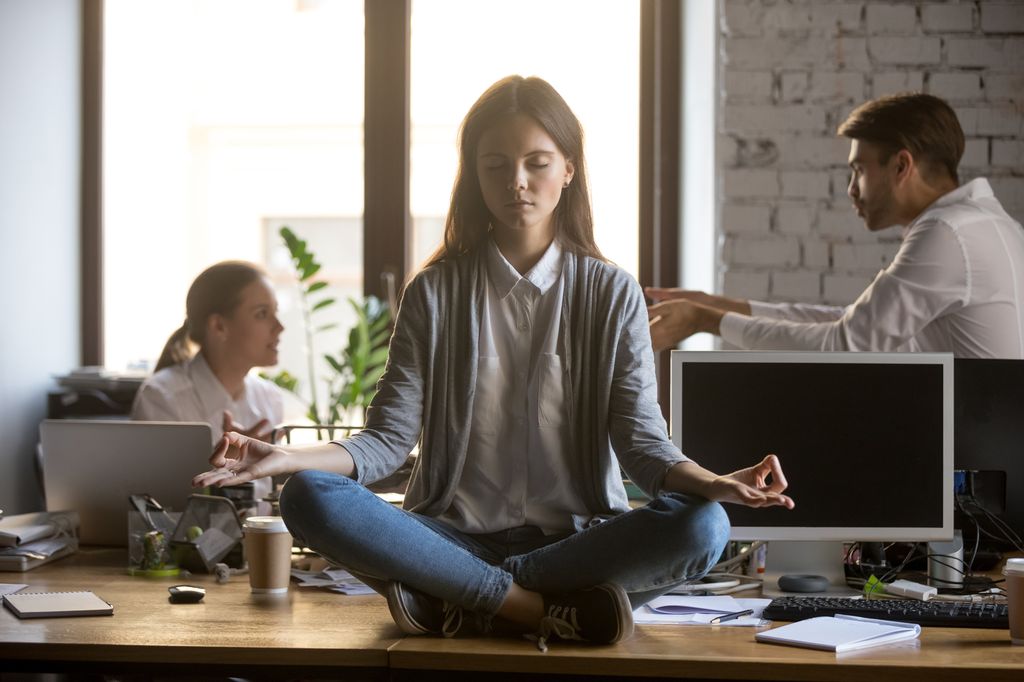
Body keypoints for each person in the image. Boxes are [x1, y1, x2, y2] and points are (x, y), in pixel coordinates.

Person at [193, 76, 793, 651]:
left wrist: (715, 482)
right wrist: (287, 459)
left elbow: (642, 445)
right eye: (496, 165)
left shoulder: (612, 293)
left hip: (572, 545)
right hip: (450, 538)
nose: (517, 182)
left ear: (568, 169)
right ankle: (531, 609)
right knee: (307, 496)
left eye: (537, 162)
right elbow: (386, 442)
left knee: (705, 525)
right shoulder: (433, 293)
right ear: (474, 175)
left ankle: (460, 597)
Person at [648, 93, 1024, 358]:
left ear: (901, 166)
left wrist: (707, 321)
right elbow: (850, 323)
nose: (851, 189)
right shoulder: (986, 224)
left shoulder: (946, 234)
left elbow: (843, 345)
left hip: (972, 446)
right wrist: (719, 306)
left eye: (859, 170)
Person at [133, 261, 286, 501]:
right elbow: (160, 503)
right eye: (262, 314)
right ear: (219, 326)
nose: (279, 327)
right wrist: (221, 466)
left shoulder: (270, 400)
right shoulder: (162, 397)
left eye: (275, 312)